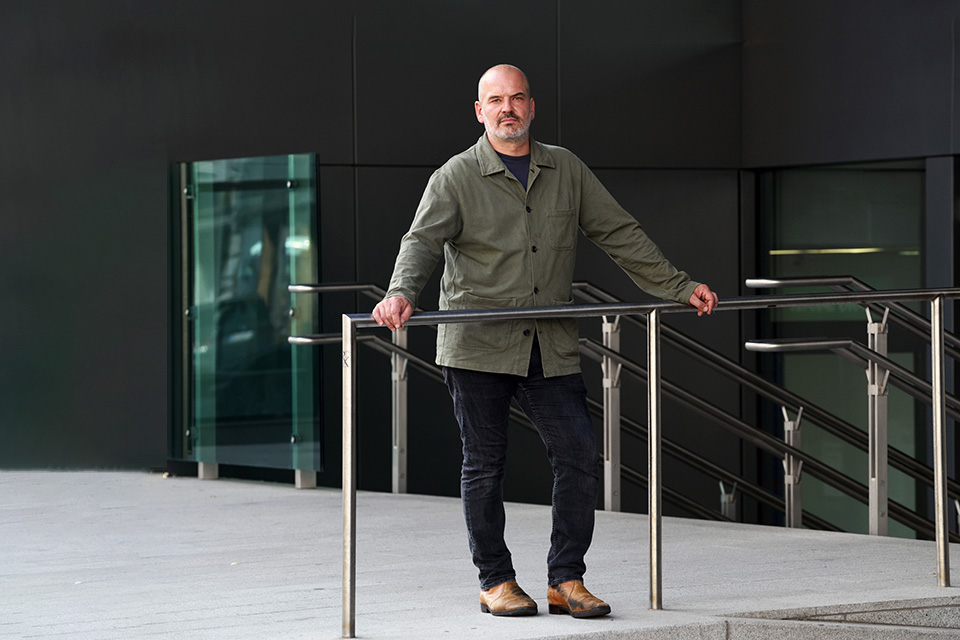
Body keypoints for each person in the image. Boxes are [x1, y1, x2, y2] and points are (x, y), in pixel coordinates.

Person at [373, 64, 718, 619]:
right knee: (484, 464)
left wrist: (678, 287)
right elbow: (421, 243)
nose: (507, 108)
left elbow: (619, 232)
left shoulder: (567, 169)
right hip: (477, 344)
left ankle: (566, 578)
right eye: (495, 100)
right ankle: (495, 580)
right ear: (480, 111)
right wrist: (399, 294)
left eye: (517, 98)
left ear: (532, 106)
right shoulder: (455, 176)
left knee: (579, 455)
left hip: (548, 344)